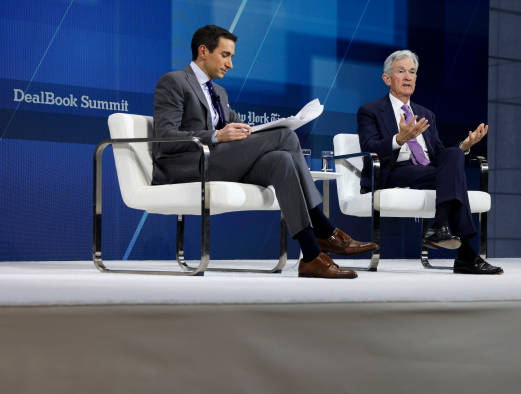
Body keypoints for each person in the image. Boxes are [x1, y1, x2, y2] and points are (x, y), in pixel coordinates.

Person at [152, 25, 377, 279]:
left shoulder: (219, 93)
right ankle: (325, 229)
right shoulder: (174, 82)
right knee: (285, 137)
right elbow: (165, 138)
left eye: (231, 57)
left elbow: (240, 130)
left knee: (281, 160)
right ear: (203, 51)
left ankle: (311, 256)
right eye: (225, 55)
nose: (230, 64)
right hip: (190, 165)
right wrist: (216, 135)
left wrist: (259, 130)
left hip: (219, 162)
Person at [357, 50, 503, 275]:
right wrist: (399, 139)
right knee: (453, 178)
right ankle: (462, 252)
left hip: (426, 170)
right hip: (392, 171)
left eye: (412, 72)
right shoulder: (370, 111)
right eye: (401, 71)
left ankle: (442, 227)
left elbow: (439, 154)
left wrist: (464, 146)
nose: (408, 77)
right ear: (387, 79)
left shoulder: (426, 114)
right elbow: (369, 148)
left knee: (453, 155)